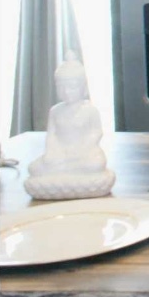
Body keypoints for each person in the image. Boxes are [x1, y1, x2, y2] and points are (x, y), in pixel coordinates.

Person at [25, 54, 115, 199]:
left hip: (83, 153)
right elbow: (52, 135)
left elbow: (96, 133)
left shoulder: (90, 110)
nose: (67, 91)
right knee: (33, 168)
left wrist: (81, 148)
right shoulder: (55, 111)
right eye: (62, 87)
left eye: (72, 87)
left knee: (96, 164)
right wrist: (52, 152)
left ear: (83, 87)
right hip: (60, 154)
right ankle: (68, 179)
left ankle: (56, 182)